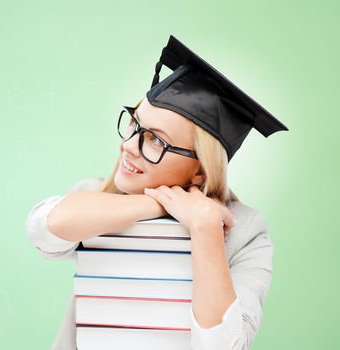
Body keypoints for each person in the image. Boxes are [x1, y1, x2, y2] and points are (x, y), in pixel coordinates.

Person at [25, 35, 288, 350]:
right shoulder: (97, 198)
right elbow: (44, 229)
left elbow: (223, 345)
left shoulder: (245, 231)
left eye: (155, 141)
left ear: (201, 170)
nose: (128, 146)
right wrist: (158, 203)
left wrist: (205, 228)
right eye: (135, 125)